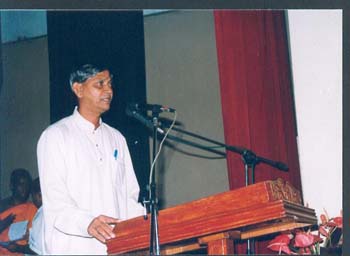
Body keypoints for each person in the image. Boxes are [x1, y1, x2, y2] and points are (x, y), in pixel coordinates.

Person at [37, 64, 144, 255]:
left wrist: (147, 225)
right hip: (75, 247)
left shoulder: (117, 138)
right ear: (78, 89)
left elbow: (129, 196)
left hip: (116, 247)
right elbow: (55, 202)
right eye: (100, 84)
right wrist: (87, 223)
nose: (109, 90)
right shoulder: (55, 136)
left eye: (110, 84)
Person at [0, 169, 37, 255]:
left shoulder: (33, 208)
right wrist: (2, 226)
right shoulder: (2, 206)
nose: (25, 188)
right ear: (11, 186)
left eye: (28, 185)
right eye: (21, 184)